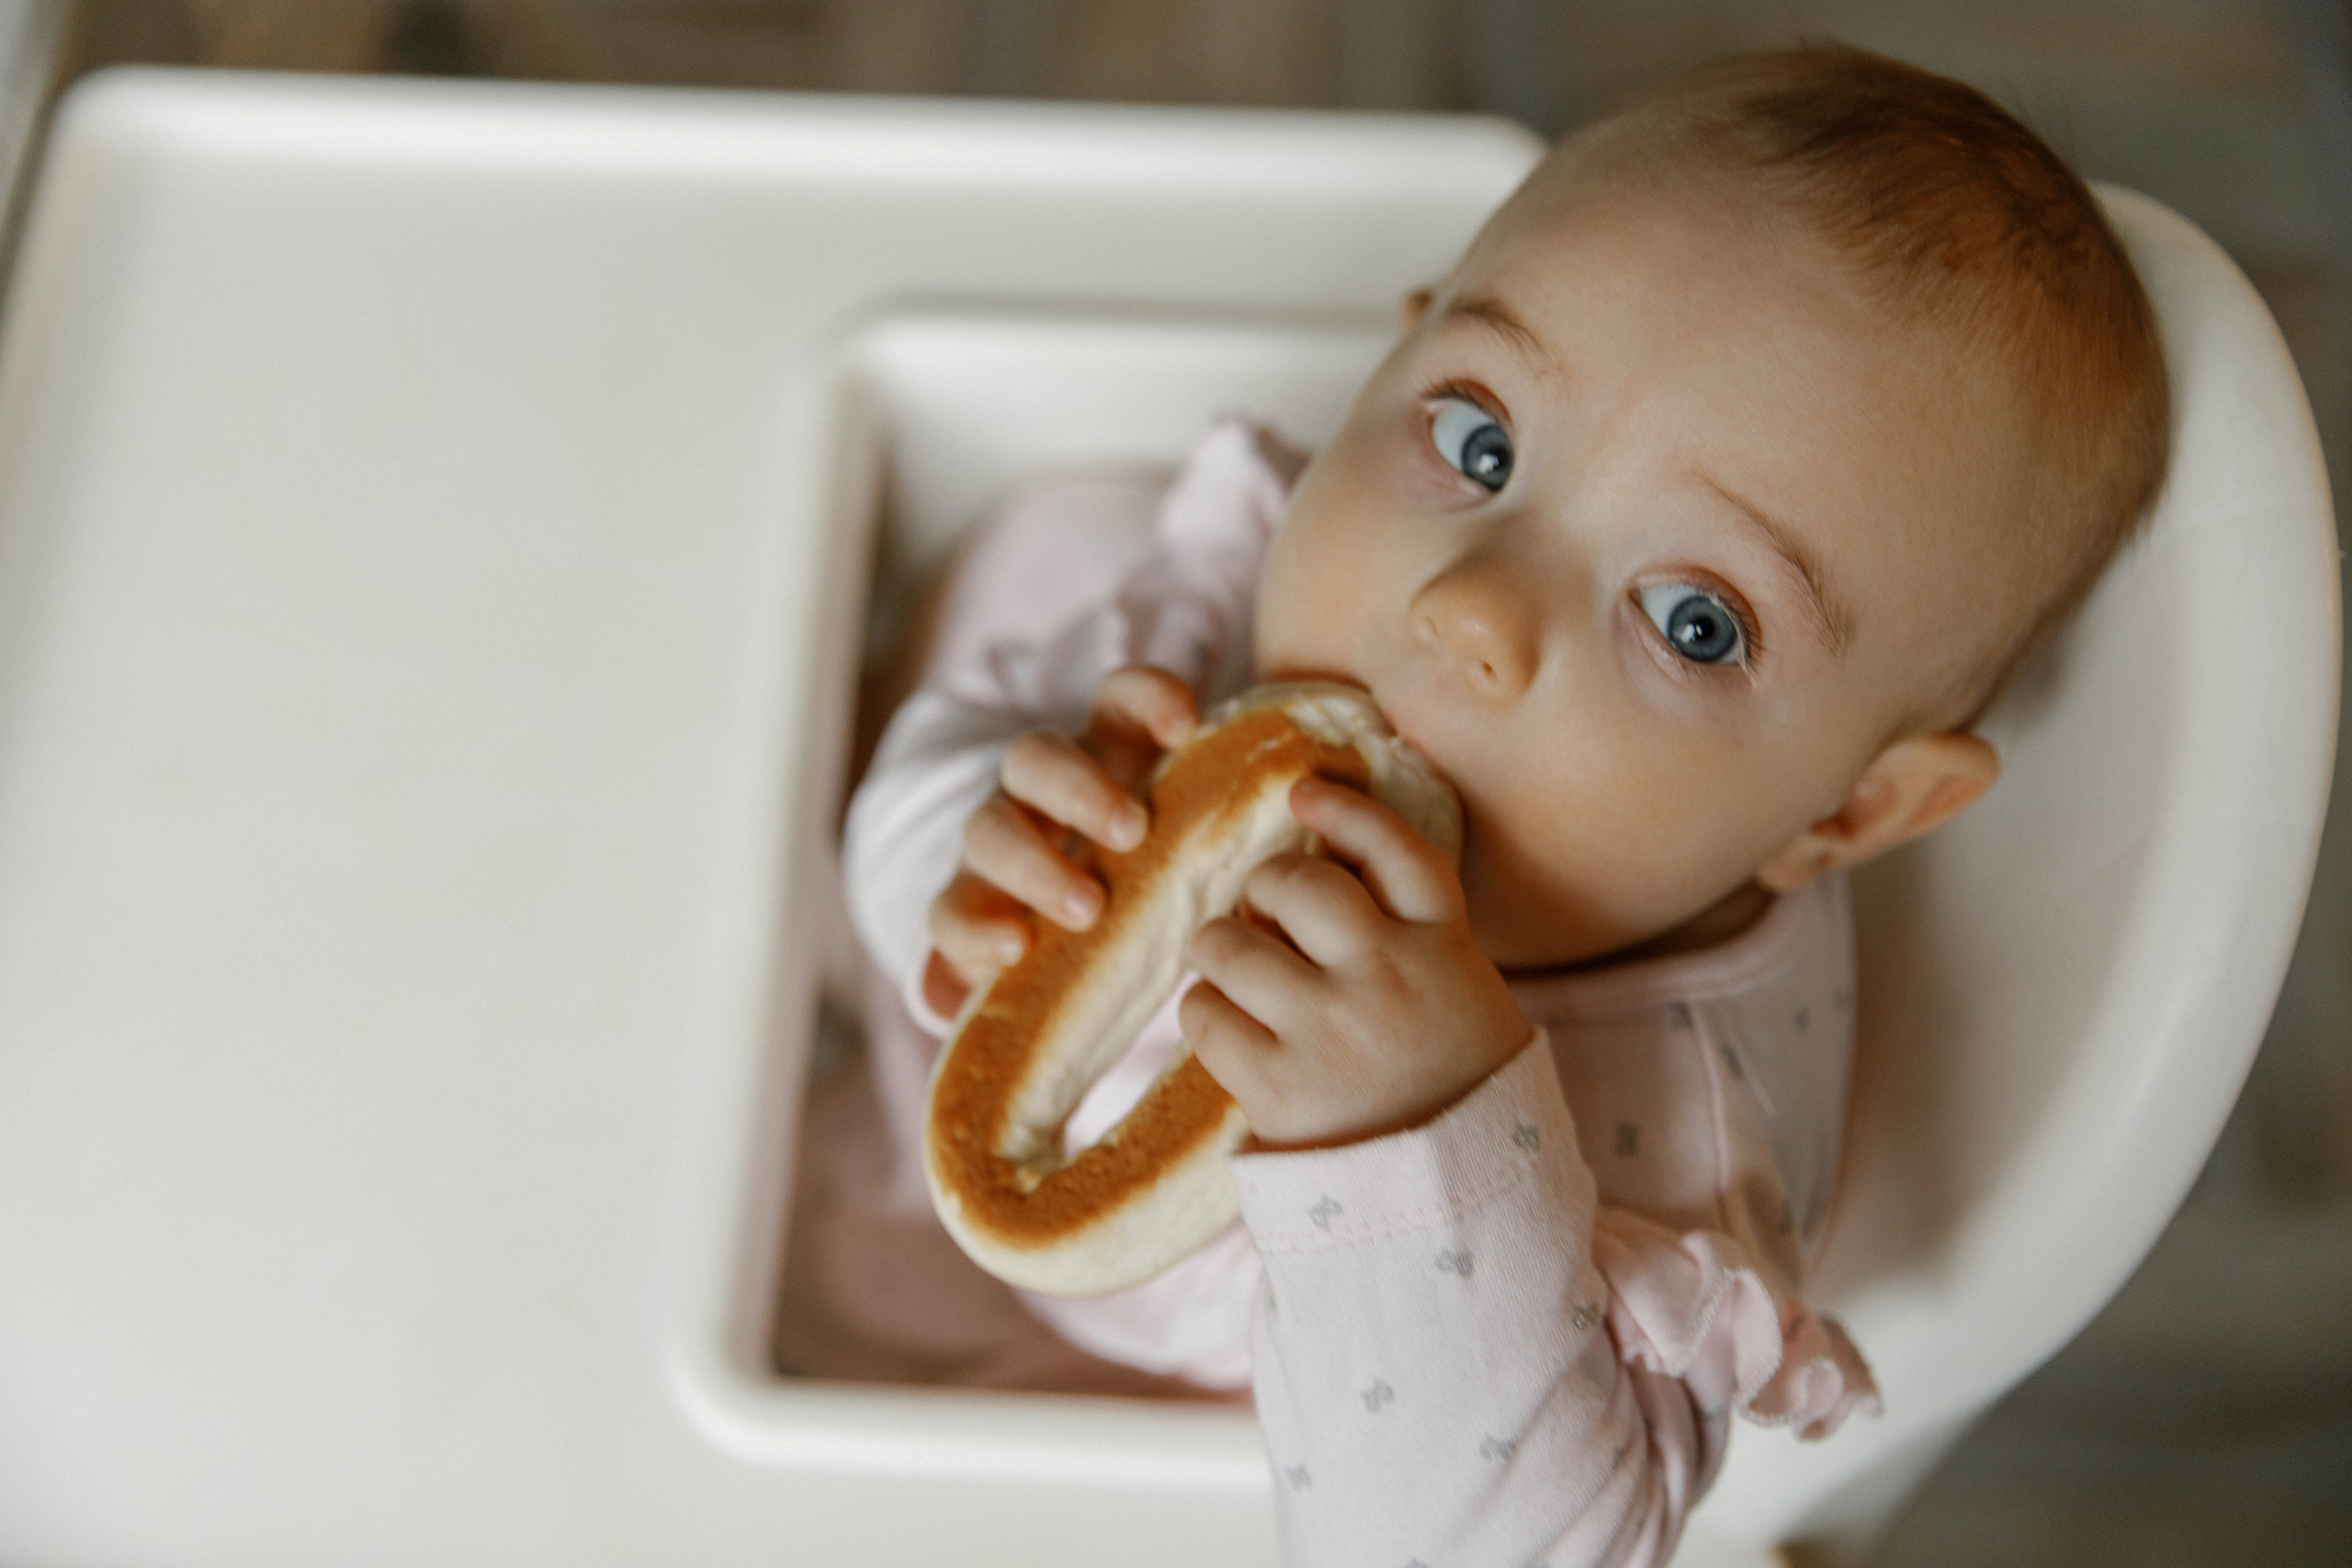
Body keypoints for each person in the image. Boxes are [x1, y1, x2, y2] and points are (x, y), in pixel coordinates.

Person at [779, 44, 2170, 1566]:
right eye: (1478, 442)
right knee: (1051, 574)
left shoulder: (1673, 1174)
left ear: (1848, 809)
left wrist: (1406, 1146)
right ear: (1402, 351)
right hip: (929, 1078)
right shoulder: (1268, 658)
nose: (1476, 608)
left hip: (1104, 1379)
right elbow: (966, 801)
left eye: (1692, 620)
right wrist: (972, 848)